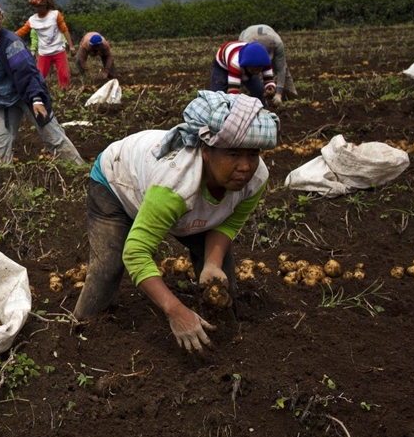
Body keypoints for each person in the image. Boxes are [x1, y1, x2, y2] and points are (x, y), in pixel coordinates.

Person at [73, 91, 279, 353]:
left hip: (171, 199)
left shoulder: (255, 179)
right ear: (206, 151)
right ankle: (82, 337)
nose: (245, 166)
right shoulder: (176, 184)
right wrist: (175, 310)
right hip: (117, 181)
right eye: (233, 154)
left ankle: (223, 336)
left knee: (220, 270)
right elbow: (136, 252)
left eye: (252, 154)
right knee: (109, 268)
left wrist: (212, 264)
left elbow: (228, 222)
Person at [0, 0, 85, 166]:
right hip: (2, 101)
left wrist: (37, 99)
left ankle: (79, 169)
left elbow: (27, 72)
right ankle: (4, 178)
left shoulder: (11, 42)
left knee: (52, 136)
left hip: (26, 95)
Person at [15, 0, 75, 89]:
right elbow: (21, 32)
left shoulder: (55, 15)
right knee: (39, 76)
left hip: (58, 50)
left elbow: (64, 30)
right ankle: (38, 93)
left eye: (38, 6)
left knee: (64, 75)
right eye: (35, 7)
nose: (36, 9)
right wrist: (7, 37)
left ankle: (65, 91)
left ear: (45, 6)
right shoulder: (32, 20)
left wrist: (71, 46)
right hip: (44, 52)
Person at [239, 24, 297, 107]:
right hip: (247, 34)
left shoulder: (278, 43)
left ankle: (292, 94)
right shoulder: (247, 44)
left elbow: (281, 69)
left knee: (283, 67)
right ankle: (245, 94)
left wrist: (278, 94)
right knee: (247, 72)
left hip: (268, 33)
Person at [210, 40, 276, 102]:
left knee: (260, 92)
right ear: (246, 66)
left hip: (244, 65)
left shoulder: (265, 61)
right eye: (254, 70)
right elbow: (233, 95)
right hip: (222, 66)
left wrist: (270, 89)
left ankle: (261, 112)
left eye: (259, 70)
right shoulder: (235, 64)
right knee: (217, 97)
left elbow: (269, 81)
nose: (256, 72)